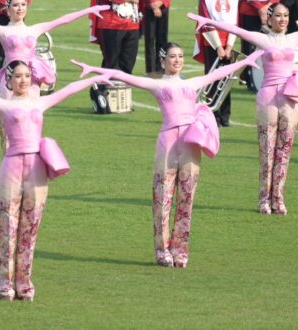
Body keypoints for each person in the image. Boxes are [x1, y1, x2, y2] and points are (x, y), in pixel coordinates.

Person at [0, 64, 110, 299]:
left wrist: (98, 76)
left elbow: (70, 89)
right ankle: (5, 282)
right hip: (11, 168)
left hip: (36, 170)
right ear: (8, 80)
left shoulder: (40, 102)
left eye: (27, 76)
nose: (23, 80)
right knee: (7, 226)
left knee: (30, 227)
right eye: (18, 77)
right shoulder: (4, 104)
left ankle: (24, 283)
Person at [76, 48, 258, 265]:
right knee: (163, 196)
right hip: (168, 142)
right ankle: (162, 250)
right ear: (163, 61)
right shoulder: (158, 84)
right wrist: (96, 70)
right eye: (173, 57)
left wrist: (249, 60)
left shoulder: (192, 83)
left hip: (190, 142)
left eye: (181, 56)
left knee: (187, 196)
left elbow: (220, 72)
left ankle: (180, 250)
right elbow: (126, 77)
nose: (177, 60)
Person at [189, 4, 298, 212]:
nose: (283, 19)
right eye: (278, 16)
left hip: (290, 97)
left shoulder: (294, 38)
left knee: (285, 151)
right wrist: (207, 21)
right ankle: (264, 199)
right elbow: (235, 29)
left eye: (286, 15)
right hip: (268, 97)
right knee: (267, 151)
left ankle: (278, 198)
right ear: (269, 19)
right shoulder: (262, 39)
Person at [0, 0, 107, 96]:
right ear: (8, 9)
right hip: (10, 78)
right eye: (16, 5)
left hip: (30, 79)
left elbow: (63, 20)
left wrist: (90, 10)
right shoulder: (2, 31)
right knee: (8, 122)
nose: (20, 8)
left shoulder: (35, 29)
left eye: (23, 4)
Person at [89, 0, 148, 113]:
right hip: (110, 22)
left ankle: (121, 101)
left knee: (127, 63)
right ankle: (103, 98)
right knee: (111, 62)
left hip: (131, 22)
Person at [194, 0, 240, 127]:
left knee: (227, 80)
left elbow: (235, 22)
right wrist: (218, 46)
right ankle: (213, 115)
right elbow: (204, 21)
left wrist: (229, 46)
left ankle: (225, 116)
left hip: (228, 41)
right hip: (212, 42)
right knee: (213, 80)